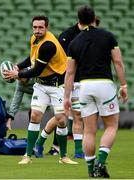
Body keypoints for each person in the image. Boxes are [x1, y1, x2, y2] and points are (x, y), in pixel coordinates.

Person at [64, 6, 128, 178]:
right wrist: (123, 86)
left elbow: (69, 72)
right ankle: (101, 161)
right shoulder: (107, 36)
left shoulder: (74, 42)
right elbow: (118, 62)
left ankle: (91, 170)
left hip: (84, 86)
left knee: (88, 131)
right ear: (94, 18)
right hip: (104, 85)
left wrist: (66, 97)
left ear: (80, 21)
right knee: (111, 125)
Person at [4, 15, 78, 165]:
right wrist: (19, 65)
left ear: (46, 27)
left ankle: (63, 156)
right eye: (35, 27)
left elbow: (37, 69)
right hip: (41, 86)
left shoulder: (48, 45)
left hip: (57, 85)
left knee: (62, 120)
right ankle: (28, 155)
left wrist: (17, 74)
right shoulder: (34, 39)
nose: (37, 30)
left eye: (40, 27)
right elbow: (32, 58)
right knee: (35, 116)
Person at [34, 15, 100, 159]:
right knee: (61, 117)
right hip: (66, 80)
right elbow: (59, 60)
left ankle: (78, 151)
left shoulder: (92, 37)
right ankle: (39, 143)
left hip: (81, 81)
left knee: (77, 115)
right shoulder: (67, 36)